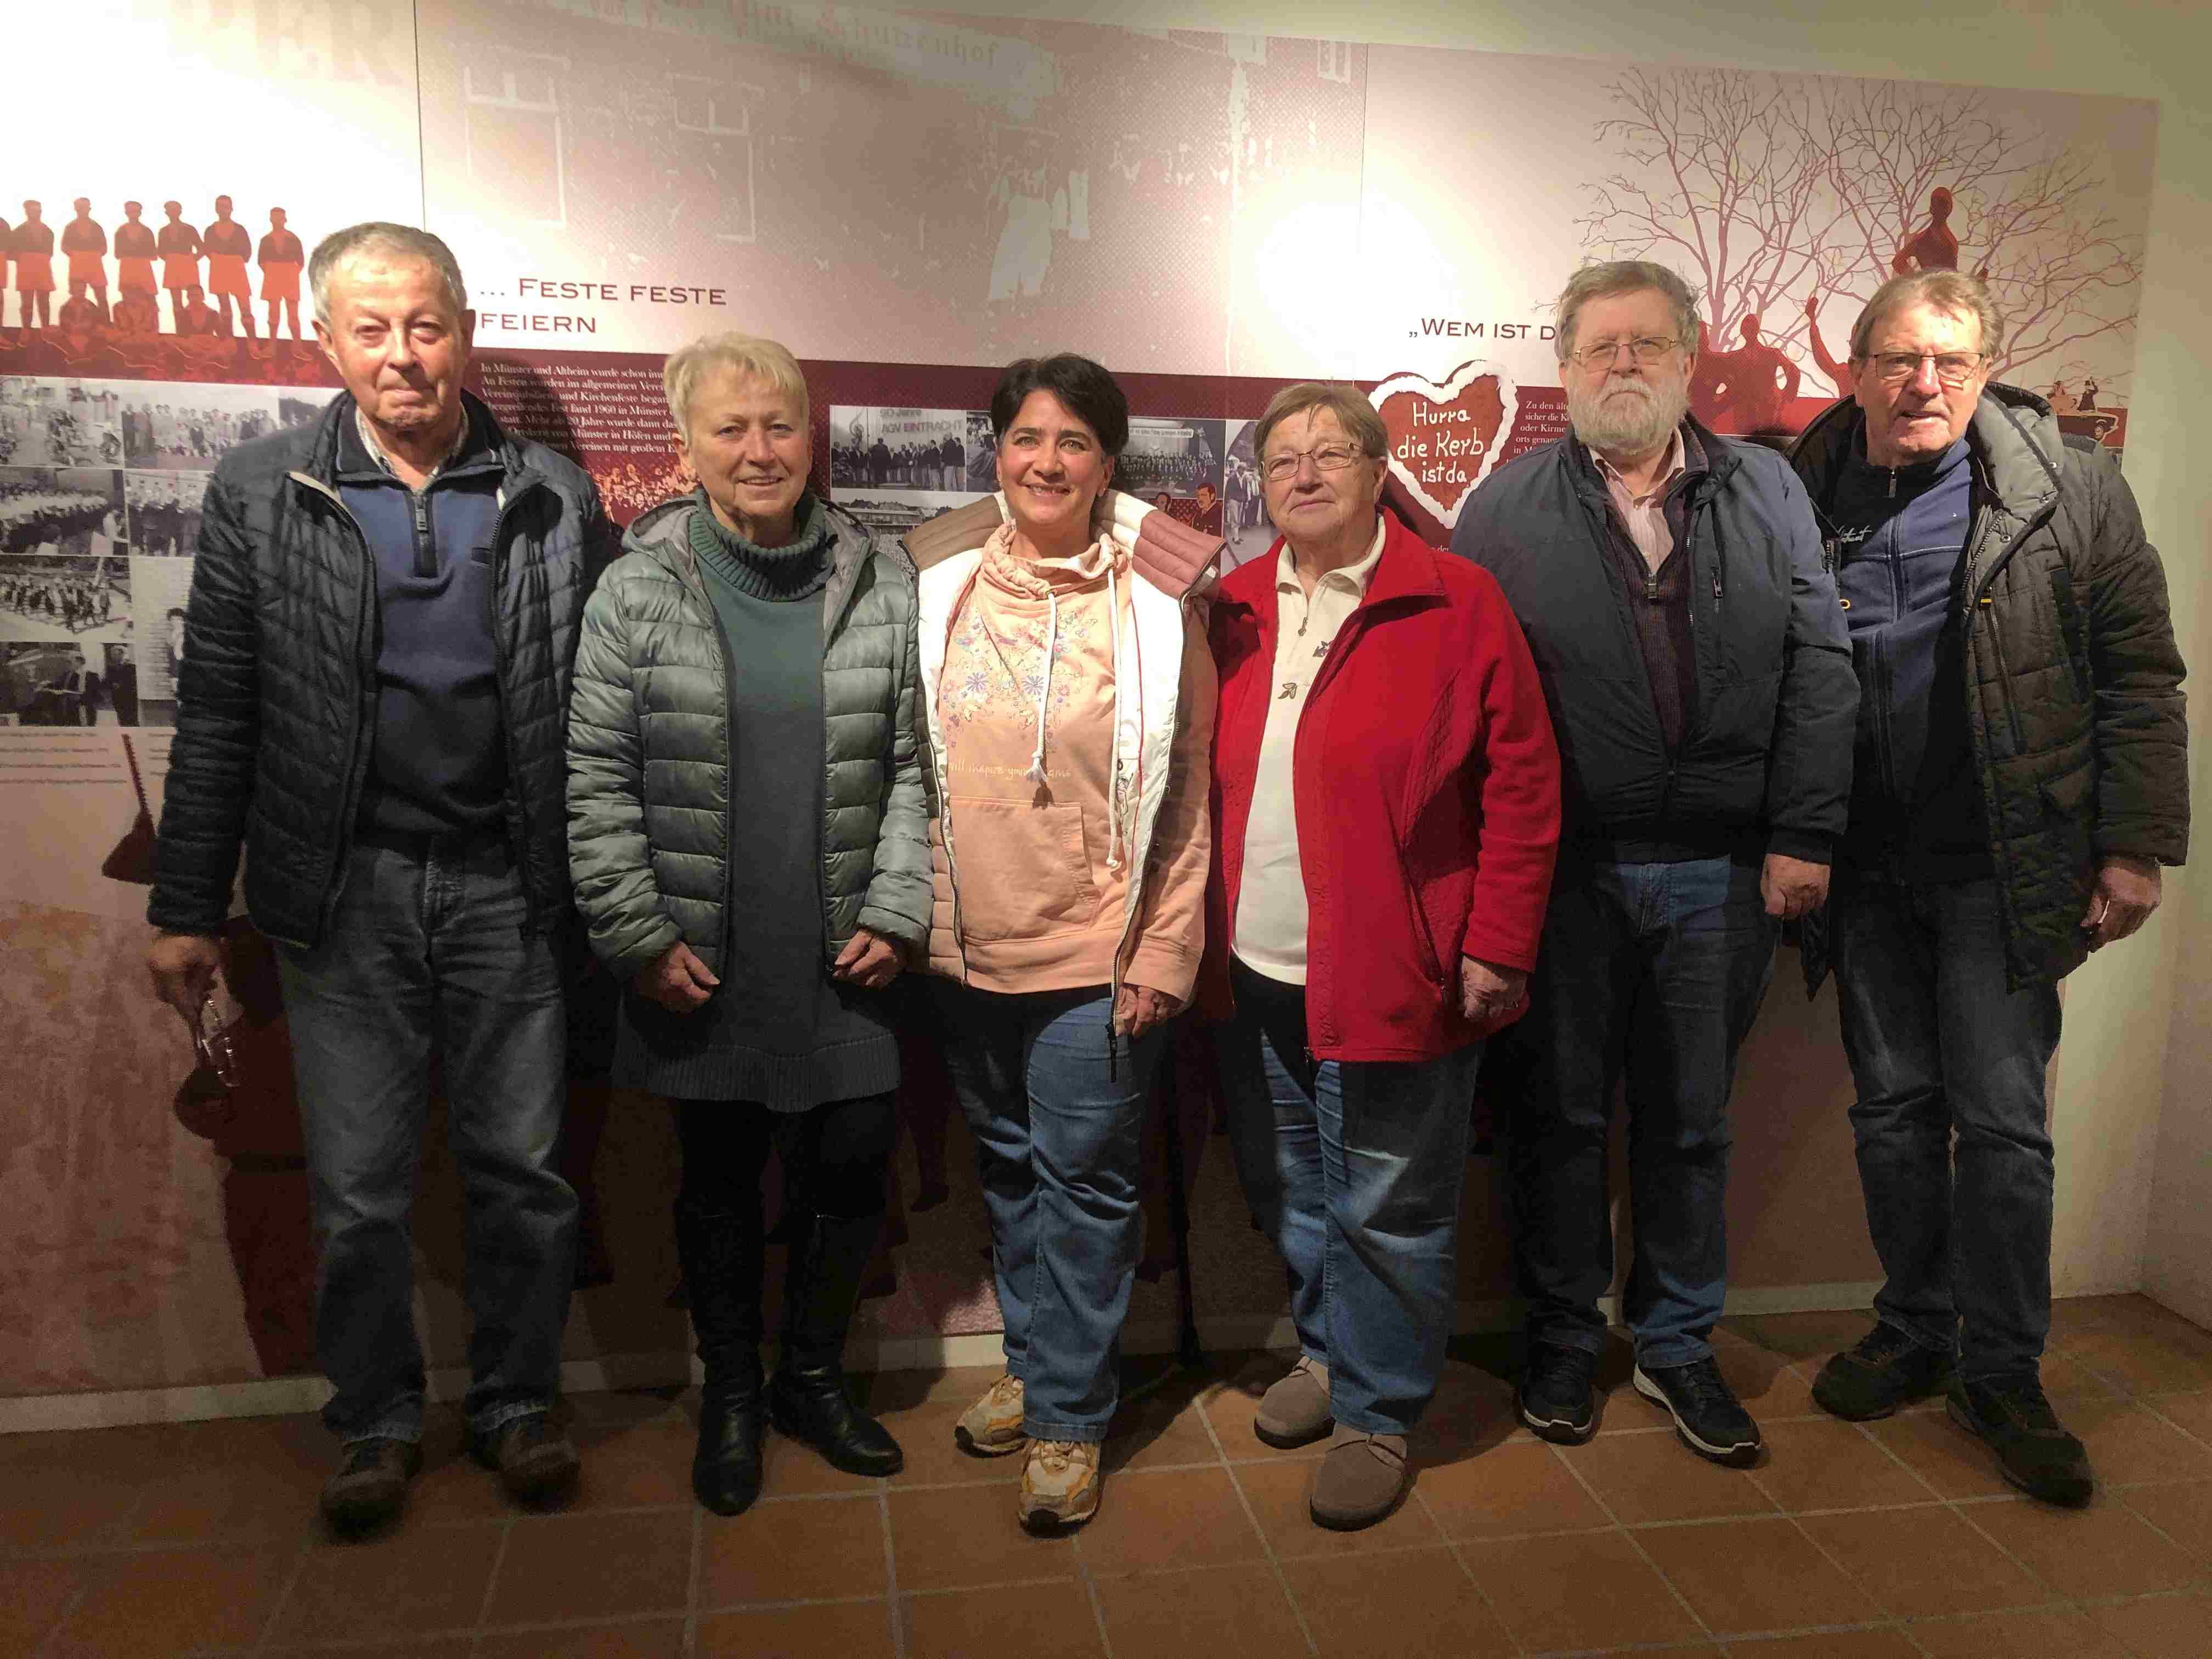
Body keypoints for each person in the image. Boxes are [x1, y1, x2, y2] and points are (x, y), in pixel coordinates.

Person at [144, 221, 617, 1533]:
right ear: (328, 338)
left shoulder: (553, 494)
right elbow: (221, 714)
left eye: (427, 325)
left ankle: (520, 1404)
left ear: (463, 331)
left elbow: (599, 711)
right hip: (340, 895)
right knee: (357, 1188)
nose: (403, 355)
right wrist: (186, 904)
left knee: (521, 1173)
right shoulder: (259, 489)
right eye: (373, 327)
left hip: (508, 890)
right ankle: (375, 1421)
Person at [1788, 271, 2188, 1505]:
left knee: (2006, 1129)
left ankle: (2005, 1370)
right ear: (1854, 367)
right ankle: (1914, 1327)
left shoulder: (2072, 488)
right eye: (1903, 359)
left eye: (1952, 364)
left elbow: (2139, 674)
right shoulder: (1797, 489)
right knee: (1894, 1113)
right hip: (1863, 866)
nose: (1926, 385)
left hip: (2004, 868)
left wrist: (2136, 848)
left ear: (1983, 370)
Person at [1453, 259, 1857, 1468]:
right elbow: (1470, 712)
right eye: (1598, 347)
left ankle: (1679, 1346)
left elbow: (1822, 668)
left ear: (1688, 362)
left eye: (1645, 345)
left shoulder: (1768, 489)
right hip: (1563, 874)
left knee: (1690, 1124)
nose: (1621, 365)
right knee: (1559, 1117)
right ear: (1564, 370)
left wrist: (1805, 833)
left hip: (1724, 875)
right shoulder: (1502, 510)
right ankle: (1566, 1342)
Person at [567, 332, 930, 1516]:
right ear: (688, 447)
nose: (760, 450)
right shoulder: (636, 588)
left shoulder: (884, 580)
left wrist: (897, 904)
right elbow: (597, 779)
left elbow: (918, 766)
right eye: (731, 428)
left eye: (779, 424)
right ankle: (731, 1393)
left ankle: (811, 1385)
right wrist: (635, 936)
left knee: (850, 1164)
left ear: (808, 434)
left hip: (849, 947)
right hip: (702, 955)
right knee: (719, 1181)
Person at [1207, 383, 1560, 1529]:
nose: (1304, 475)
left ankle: (1378, 1409)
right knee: (1299, 1191)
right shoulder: (1235, 607)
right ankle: (1328, 1356)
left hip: (1397, 969)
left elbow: (1523, 783)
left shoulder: (1455, 599)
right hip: (1260, 964)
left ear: (1376, 470)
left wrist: (1499, 942)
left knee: (1390, 1205)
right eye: (1285, 459)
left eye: (1331, 455)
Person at [902, 353, 1217, 1533]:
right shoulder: (938, 581)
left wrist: (1164, 951)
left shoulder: (1154, 599)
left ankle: (1073, 1420)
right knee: (1012, 1176)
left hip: (1097, 950)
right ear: (998, 451)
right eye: (1028, 438)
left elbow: (1186, 795)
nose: (1047, 462)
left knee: (1085, 1188)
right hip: (964, 946)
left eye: (1074, 443)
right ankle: (1038, 1370)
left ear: (1106, 463)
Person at [202, 196, 256, 339]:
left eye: (226, 206)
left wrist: (234, 259)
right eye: (220, 206)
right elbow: (207, 250)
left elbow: (247, 252)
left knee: (245, 308)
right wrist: (219, 258)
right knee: (225, 307)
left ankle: (252, 342)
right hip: (219, 267)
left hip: (236, 268)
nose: (223, 210)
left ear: (231, 209)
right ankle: (229, 340)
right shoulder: (210, 230)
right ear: (216, 209)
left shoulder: (239, 230)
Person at [259, 207, 306, 341]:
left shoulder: (293, 239)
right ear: (270, 219)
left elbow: (301, 261)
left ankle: (297, 346)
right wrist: (273, 272)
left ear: (285, 220)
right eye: (274, 217)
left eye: (279, 218)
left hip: (290, 275)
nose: (277, 221)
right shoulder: (266, 240)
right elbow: (261, 261)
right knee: (273, 313)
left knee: (293, 313)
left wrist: (290, 273)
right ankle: (272, 345)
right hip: (272, 276)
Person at [157, 202, 204, 333]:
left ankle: (196, 330)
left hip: (187, 262)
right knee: (176, 301)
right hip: (172, 264)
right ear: (166, 213)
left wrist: (193, 259)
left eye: (175, 210)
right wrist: (171, 260)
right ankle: (181, 331)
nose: (173, 213)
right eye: (170, 210)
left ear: (180, 211)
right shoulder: (164, 231)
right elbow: (160, 251)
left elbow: (202, 247)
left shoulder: (189, 229)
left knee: (194, 297)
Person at [60, 199, 109, 320]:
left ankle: (106, 326)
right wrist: (78, 256)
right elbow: (64, 247)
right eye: (80, 208)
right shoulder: (70, 227)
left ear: (89, 209)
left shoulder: (97, 227)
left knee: (102, 297)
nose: (82, 210)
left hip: (95, 264)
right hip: (77, 264)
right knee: (77, 297)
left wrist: (92, 256)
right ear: (76, 209)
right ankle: (75, 326)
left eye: (85, 207)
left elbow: (104, 248)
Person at [13, 201, 55, 332]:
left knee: (44, 303)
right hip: (26, 270)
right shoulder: (19, 231)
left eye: (39, 211)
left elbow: (50, 253)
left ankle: (46, 330)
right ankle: (26, 330)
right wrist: (23, 257)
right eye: (33, 211)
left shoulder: (48, 231)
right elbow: (11, 253)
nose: (37, 214)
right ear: (27, 212)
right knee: (27, 304)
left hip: (43, 269)